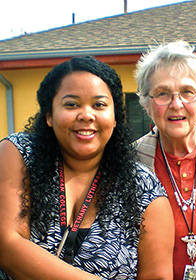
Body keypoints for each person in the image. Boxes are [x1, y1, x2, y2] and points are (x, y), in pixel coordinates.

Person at [0, 56, 174, 280]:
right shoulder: (19, 153)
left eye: (99, 105)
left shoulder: (143, 188)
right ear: (49, 115)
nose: (86, 115)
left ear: (115, 119)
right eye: (71, 104)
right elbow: (7, 244)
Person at [134, 41, 196, 280]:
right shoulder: (131, 160)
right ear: (147, 105)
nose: (176, 104)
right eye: (162, 94)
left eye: (187, 92)